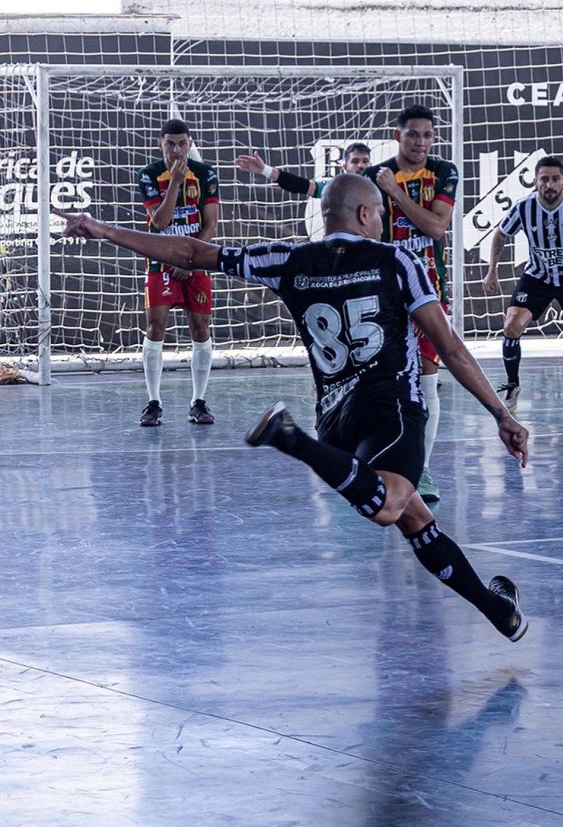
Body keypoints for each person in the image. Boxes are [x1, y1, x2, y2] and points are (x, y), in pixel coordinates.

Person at [54, 174, 530, 641]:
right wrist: (501, 414)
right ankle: (290, 438)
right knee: (390, 505)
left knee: (417, 522)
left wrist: (103, 229)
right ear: (365, 214)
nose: (383, 222)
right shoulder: (397, 259)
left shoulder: (288, 259)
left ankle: (497, 609)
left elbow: (191, 253)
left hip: (336, 421)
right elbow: (449, 347)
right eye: (381, 214)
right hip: (392, 410)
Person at [364, 105, 458, 504]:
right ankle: (376, 460)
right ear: (397, 135)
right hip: (383, 292)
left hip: (430, 292)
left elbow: (436, 227)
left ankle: (420, 470)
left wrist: (395, 192)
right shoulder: (373, 175)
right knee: (381, 381)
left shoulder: (443, 172)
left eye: (427, 135)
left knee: (427, 378)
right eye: (413, 135)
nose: (421, 142)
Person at [482, 156, 563, 412]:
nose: (549, 184)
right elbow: (500, 234)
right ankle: (512, 385)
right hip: (538, 278)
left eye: (555, 179)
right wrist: (491, 271)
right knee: (511, 326)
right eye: (544, 179)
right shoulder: (524, 207)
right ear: (535, 181)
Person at [137, 119, 220, 427]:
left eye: (182, 143)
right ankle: (153, 403)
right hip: (159, 262)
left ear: (190, 144)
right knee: (155, 327)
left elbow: (210, 223)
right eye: (170, 144)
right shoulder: (148, 175)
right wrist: (173, 181)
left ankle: (198, 402)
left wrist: (192, 260)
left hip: (195, 262)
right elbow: (159, 222)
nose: (176, 150)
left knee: (200, 328)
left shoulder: (206, 174)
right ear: (161, 145)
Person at [235, 142, 371, 197]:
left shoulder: (380, 186)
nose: (361, 166)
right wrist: (265, 169)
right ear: (344, 167)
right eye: (355, 161)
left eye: (365, 161)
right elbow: (300, 185)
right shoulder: (335, 187)